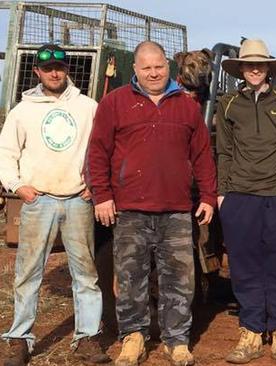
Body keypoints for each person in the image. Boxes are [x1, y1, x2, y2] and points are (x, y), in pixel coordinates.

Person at [85, 40, 217, 366]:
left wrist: (209, 196)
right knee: (131, 278)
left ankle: (177, 341)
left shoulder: (186, 107)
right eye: (146, 68)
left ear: (168, 67)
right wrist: (102, 195)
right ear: (136, 70)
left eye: (158, 67)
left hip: (175, 209)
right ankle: (133, 338)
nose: (153, 73)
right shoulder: (114, 103)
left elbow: (202, 155)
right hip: (129, 209)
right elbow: (98, 152)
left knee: (179, 279)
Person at [0, 44, 109, 366]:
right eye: (48, 69)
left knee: (86, 274)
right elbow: (6, 152)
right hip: (39, 200)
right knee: (28, 272)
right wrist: (18, 185)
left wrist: (94, 185)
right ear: (37, 72)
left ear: (67, 70)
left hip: (78, 200)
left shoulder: (88, 107)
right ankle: (19, 338)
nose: (55, 73)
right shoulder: (24, 110)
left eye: (60, 68)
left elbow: (102, 148)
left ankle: (87, 337)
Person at [214, 38, 276, 365]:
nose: (254, 68)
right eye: (248, 63)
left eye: (260, 63)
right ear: (240, 68)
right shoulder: (227, 103)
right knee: (245, 267)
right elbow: (223, 152)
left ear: (269, 67)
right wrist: (223, 194)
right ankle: (251, 332)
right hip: (240, 197)